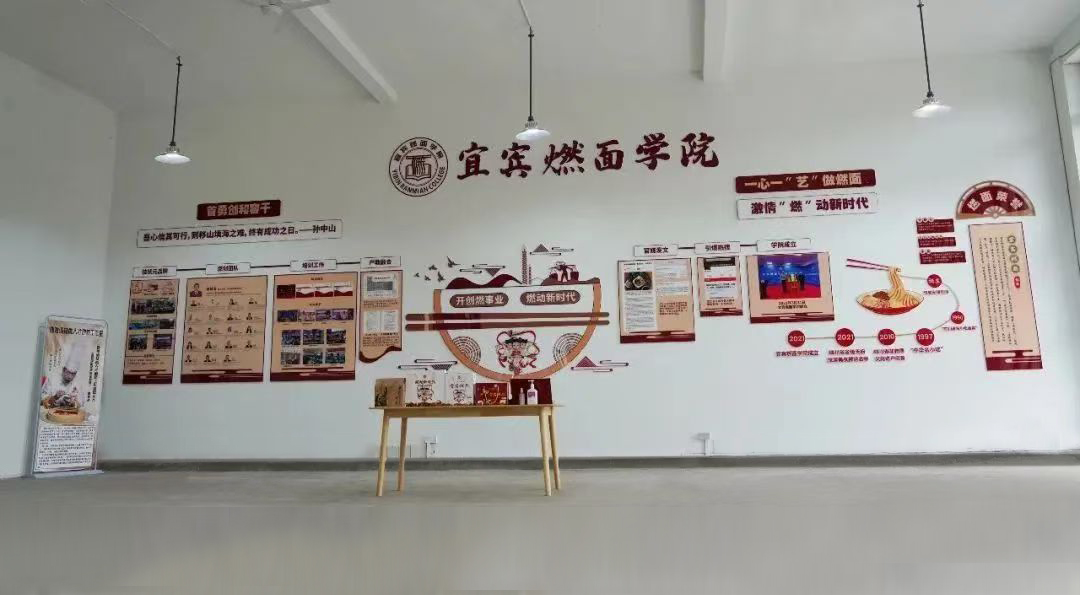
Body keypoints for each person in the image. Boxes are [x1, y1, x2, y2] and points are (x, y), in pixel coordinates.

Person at [41, 340, 88, 410]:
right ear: (63, 370)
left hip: (70, 414)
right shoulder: (52, 379)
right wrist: (55, 396)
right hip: (51, 412)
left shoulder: (78, 384)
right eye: (68, 372)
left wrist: (72, 403)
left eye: (73, 374)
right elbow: (42, 400)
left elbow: (81, 403)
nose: (70, 376)